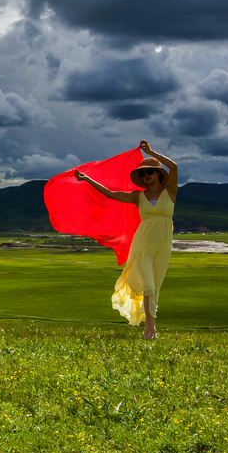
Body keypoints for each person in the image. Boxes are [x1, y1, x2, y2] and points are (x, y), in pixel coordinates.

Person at [74, 140, 177, 338]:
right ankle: (150, 329)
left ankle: (150, 326)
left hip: (162, 244)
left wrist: (151, 152)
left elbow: (174, 166)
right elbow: (111, 194)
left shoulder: (170, 192)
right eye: (143, 174)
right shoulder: (138, 196)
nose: (146, 176)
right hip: (143, 243)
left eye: (149, 172)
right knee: (147, 284)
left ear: (158, 173)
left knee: (155, 285)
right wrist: (88, 179)